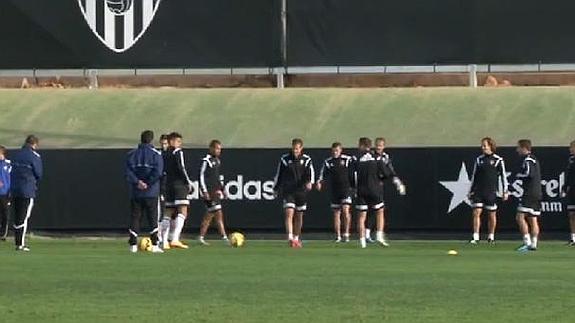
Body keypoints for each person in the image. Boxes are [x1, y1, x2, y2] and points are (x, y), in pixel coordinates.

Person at [351, 137, 396, 248]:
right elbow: (386, 173)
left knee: (361, 216)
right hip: (374, 189)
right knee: (380, 211)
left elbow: (351, 175)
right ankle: (379, 235)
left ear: (362, 146)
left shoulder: (355, 158)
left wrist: (353, 188)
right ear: (370, 146)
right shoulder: (377, 158)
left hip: (361, 190)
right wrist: (379, 178)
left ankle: (362, 242)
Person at [126, 130, 164, 253]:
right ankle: (154, 245)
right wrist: (147, 183)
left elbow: (128, 172)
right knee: (152, 218)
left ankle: (132, 245)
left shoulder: (132, 154)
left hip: (136, 192)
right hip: (151, 192)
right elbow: (157, 172)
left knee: (135, 217)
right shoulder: (156, 154)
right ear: (151, 140)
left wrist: (138, 182)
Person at [273, 138, 315, 248]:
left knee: (299, 215)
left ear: (301, 148)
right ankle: (290, 238)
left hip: (301, 191)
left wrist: (310, 182)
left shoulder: (306, 159)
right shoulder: (285, 159)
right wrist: (275, 188)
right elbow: (279, 174)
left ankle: (296, 237)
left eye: (297, 149)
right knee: (289, 213)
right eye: (293, 148)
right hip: (289, 190)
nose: (295, 151)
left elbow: (310, 172)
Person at [467, 137, 509, 245]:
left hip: (491, 191)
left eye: (485, 145)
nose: (483, 147)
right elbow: (474, 176)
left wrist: (505, 191)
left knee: (491, 214)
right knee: (476, 212)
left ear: (490, 146)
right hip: (478, 191)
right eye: (482, 145)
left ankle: (491, 236)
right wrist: (470, 190)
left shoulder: (498, 160)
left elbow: (503, 176)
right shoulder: (479, 160)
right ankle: (476, 237)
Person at [369, 137, 406, 244]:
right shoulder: (370, 156)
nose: (378, 148)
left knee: (378, 209)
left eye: (380, 146)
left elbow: (390, 171)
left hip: (379, 185)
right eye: (377, 146)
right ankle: (369, 234)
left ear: (384, 146)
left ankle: (377, 234)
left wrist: (398, 183)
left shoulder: (385, 157)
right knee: (370, 210)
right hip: (370, 184)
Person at [10, 135, 42, 252]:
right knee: (24, 217)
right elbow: (38, 173)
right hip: (27, 190)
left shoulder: (16, 154)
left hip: (14, 189)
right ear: (35, 144)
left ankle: (17, 242)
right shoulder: (34, 156)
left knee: (17, 216)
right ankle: (20, 244)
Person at [316, 142, 353, 242]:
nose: (335, 153)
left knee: (345, 211)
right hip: (335, 190)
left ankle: (346, 234)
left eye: (337, 150)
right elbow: (322, 174)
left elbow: (355, 171)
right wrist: (319, 182)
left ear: (341, 150)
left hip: (346, 189)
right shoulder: (328, 162)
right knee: (336, 213)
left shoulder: (347, 160)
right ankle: (338, 236)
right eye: (333, 151)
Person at [163, 132, 193, 249]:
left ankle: (164, 241)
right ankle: (175, 239)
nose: (180, 144)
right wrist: (188, 182)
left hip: (168, 185)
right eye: (178, 141)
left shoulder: (164, 153)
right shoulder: (178, 152)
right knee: (183, 210)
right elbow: (182, 168)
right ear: (172, 141)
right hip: (179, 185)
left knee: (168, 212)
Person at [198, 140, 228, 246]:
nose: (218, 151)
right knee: (210, 215)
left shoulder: (217, 161)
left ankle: (223, 237)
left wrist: (223, 189)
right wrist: (204, 191)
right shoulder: (206, 161)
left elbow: (217, 178)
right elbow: (201, 176)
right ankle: (202, 237)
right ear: (211, 148)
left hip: (216, 192)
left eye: (220, 149)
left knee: (217, 215)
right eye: (216, 148)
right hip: (209, 192)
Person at [515, 139, 542, 252]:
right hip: (537, 192)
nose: (517, 150)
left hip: (529, 193)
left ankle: (527, 242)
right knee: (533, 219)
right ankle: (534, 244)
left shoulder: (528, 160)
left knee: (520, 217)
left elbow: (529, 174)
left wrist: (519, 175)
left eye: (518, 148)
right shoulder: (535, 159)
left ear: (524, 148)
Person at [561, 140, 575, 246]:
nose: (570, 149)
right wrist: (565, 188)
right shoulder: (571, 160)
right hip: (572, 191)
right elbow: (569, 176)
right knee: (571, 214)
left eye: (572, 147)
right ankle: (573, 238)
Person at [157, 134, 170, 247]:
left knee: (170, 214)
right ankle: (160, 237)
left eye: (165, 143)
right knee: (161, 213)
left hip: (170, 187)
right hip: (162, 187)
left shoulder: (172, 154)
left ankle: (166, 238)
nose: (164, 146)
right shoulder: (158, 154)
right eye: (162, 143)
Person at [0, 145, 11, 241]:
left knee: (5, 214)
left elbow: (10, 178)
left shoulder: (8, 164)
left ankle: (3, 234)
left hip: (4, 193)